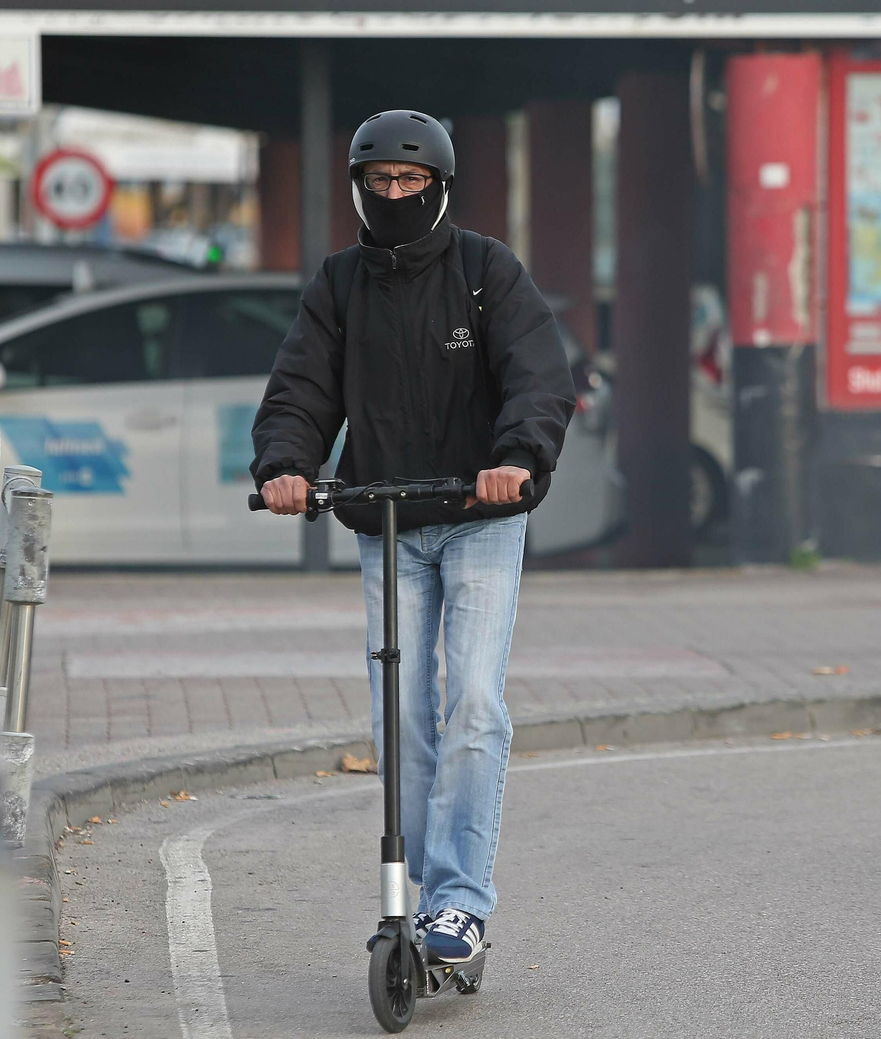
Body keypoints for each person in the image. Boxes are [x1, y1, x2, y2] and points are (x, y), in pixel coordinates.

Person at [250, 110, 576, 962]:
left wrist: (516, 458)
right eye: (379, 182)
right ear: (359, 187)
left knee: (473, 701)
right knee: (402, 714)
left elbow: (539, 377)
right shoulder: (340, 283)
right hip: (387, 516)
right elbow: (301, 388)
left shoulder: (484, 271)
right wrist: (285, 464)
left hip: (479, 518)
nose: (394, 194)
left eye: (410, 181)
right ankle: (422, 899)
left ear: (438, 186)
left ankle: (461, 899)